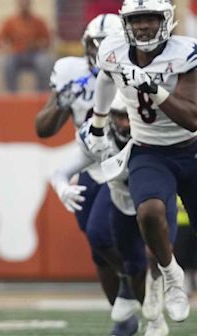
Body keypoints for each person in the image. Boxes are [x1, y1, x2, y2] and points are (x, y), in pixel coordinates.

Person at [86, 0, 197, 324]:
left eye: (151, 19)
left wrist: (151, 86)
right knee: (148, 213)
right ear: (126, 24)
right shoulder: (114, 50)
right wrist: (98, 122)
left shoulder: (185, 52)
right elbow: (107, 78)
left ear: (166, 20)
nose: (145, 26)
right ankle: (172, 277)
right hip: (149, 150)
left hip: (191, 149)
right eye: (137, 20)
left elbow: (191, 117)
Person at [37, 13, 143, 335]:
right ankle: (125, 316)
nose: (98, 52)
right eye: (93, 45)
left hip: (124, 162)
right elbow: (43, 128)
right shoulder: (72, 72)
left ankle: (137, 280)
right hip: (89, 162)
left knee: (100, 233)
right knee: (98, 251)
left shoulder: (133, 70)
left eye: (105, 45)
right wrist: (62, 101)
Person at [51, 96, 170, 335]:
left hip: (150, 192)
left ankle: (159, 298)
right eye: (119, 116)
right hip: (116, 189)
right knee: (105, 246)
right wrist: (62, 187)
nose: (125, 123)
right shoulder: (97, 134)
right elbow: (60, 172)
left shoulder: (155, 128)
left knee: (158, 252)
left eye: (128, 117)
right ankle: (133, 296)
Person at [0, 0, 53, 93]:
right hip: (16, 54)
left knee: (45, 62)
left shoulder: (38, 21)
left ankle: (41, 94)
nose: (24, 7)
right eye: (22, 4)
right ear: (18, 4)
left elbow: (47, 41)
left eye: (26, 4)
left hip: (34, 55)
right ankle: (12, 96)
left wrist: (37, 45)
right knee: (6, 63)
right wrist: (7, 48)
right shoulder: (10, 21)